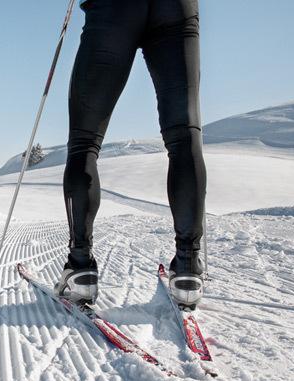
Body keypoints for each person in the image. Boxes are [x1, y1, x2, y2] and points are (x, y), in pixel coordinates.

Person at [53, 0, 207, 308]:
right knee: (183, 134)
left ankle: (80, 266)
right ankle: (188, 266)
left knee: (84, 142)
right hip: (176, 8)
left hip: (113, 10)